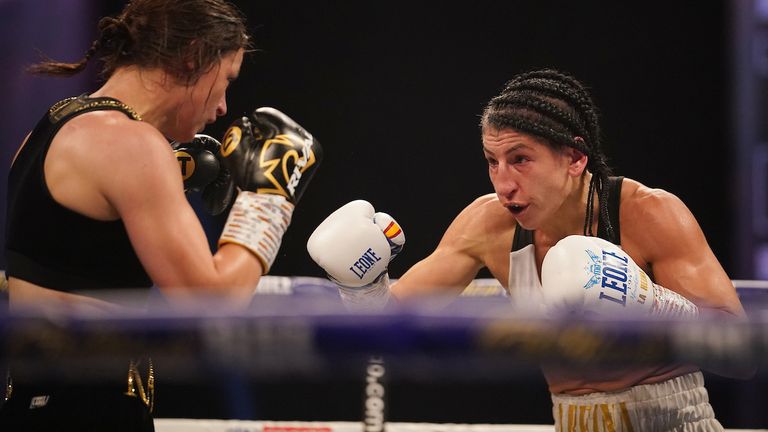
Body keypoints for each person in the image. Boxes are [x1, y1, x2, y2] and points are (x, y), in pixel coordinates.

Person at [307, 69, 746, 430]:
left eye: (520, 159)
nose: (503, 183)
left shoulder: (650, 214)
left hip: (675, 423)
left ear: (575, 159)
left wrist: (652, 304)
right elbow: (384, 329)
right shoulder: (487, 224)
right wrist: (361, 287)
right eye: (492, 161)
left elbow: (742, 354)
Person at [1, 0, 320, 430]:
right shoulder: (132, 145)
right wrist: (270, 195)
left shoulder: (56, 123)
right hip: (87, 410)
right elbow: (212, 303)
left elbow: (66, 261)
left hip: (36, 402)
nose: (224, 106)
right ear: (192, 57)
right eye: (225, 80)